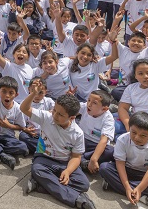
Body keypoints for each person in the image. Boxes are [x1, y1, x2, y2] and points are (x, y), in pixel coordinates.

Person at [20, 80, 95, 209]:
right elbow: (24, 108)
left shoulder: (77, 133)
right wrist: (33, 94)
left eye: (60, 114)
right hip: (44, 159)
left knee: (83, 185)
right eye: (54, 110)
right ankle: (76, 199)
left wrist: (68, 170)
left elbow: (76, 157)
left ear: (72, 118)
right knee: (37, 169)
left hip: (64, 162)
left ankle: (41, 185)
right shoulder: (46, 117)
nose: (54, 115)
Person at [99, 112, 148, 209]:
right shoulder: (123, 139)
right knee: (104, 168)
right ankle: (143, 197)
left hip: (142, 174)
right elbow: (120, 164)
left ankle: (113, 185)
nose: (137, 137)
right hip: (125, 169)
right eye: (133, 132)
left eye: (143, 135)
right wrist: (127, 187)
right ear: (129, 128)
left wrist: (139, 189)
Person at [78, 89, 115, 173]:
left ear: (104, 109)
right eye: (89, 100)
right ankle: (83, 161)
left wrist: (94, 159)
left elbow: (103, 141)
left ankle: (83, 160)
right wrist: (70, 98)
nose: (89, 104)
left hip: (96, 145)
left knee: (111, 151)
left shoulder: (108, 119)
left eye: (94, 103)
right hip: (81, 139)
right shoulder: (85, 107)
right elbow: (70, 110)